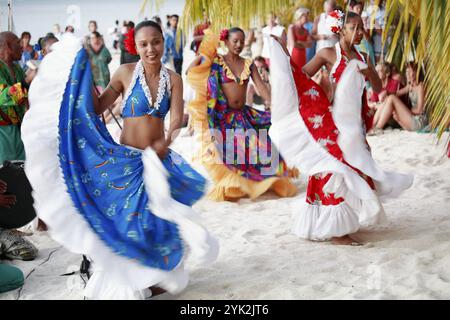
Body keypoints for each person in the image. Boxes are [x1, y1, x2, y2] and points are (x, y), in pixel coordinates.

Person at [21, 21, 218, 300]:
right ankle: (135, 276)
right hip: (125, 161)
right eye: (144, 44)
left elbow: (176, 121)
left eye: (156, 42)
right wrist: (83, 79)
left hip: (156, 161)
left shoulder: (173, 79)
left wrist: (167, 141)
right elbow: (99, 108)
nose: (151, 49)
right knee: (130, 222)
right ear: (134, 46)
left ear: (164, 42)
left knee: (155, 221)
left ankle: (155, 276)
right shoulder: (125, 73)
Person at [269, 10, 413, 245]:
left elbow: (378, 89)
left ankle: (332, 222)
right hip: (329, 120)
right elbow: (301, 77)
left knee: (356, 166)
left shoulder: (364, 57)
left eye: (361, 27)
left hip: (354, 124)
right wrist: (283, 56)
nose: (359, 32)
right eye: (353, 27)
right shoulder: (327, 53)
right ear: (340, 30)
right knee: (334, 167)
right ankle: (337, 230)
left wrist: (370, 72)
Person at [186, 28, 297, 201]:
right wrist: (205, 53)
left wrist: (271, 103)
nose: (238, 45)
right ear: (226, 41)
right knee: (231, 154)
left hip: (243, 114)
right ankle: (236, 186)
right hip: (224, 117)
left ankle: (261, 182)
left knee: (261, 148)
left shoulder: (248, 63)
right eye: (235, 41)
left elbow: (260, 86)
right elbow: (189, 71)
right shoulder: (217, 62)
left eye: (241, 41)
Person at [374, 62, 427, 131]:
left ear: (416, 73)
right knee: (388, 98)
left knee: (392, 98)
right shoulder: (410, 86)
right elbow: (397, 93)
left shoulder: (420, 86)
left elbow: (420, 110)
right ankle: (373, 125)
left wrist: (406, 110)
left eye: (410, 71)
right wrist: (387, 92)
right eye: (406, 71)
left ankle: (377, 128)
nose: (407, 74)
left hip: (419, 122)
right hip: (411, 119)